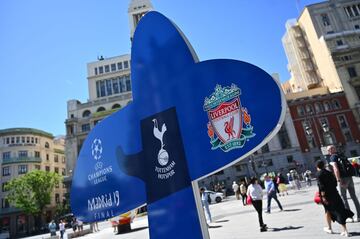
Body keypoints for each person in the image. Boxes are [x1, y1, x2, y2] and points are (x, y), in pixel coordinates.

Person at [316, 160, 353, 237]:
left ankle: (342, 231)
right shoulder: (329, 173)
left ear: (317, 167)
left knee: (332, 211)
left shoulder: (319, 174)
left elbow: (321, 186)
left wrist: (323, 197)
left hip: (327, 196)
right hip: (335, 194)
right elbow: (335, 183)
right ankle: (336, 229)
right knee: (337, 210)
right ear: (324, 165)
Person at [328, 145, 360, 222]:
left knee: (344, 197)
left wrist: (339, 180)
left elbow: (335, 169)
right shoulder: (341, 155)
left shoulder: (333, 157)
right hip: (349, 177)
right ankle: (359, 216)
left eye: (329, 150)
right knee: (354, 196)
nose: (328, 152)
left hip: (342, 178)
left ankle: (349, 217)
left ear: (332, 150)